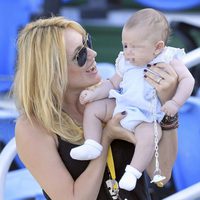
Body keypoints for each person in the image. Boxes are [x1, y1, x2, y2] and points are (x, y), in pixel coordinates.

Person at [14, 16, 180, 200]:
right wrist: (106, 137)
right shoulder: (33, 126)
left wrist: (167, 106)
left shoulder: (115, 96)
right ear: (53, 71)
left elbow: (162, 175)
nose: (93, 53)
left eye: (88, 42)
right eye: (80, 54)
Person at [70, 8, 195, 191]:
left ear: (157, 47)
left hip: (146, 115)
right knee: (94, 109)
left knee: (151, 136)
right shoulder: (125, 61)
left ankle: (133, 172)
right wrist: (94, 94)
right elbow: (112, 83)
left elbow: (188, 80)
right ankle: (92, 143)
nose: (128, 52)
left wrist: (174, 101)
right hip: (121, 105)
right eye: (125, 45)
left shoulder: (167, 57)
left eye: (134, 47)